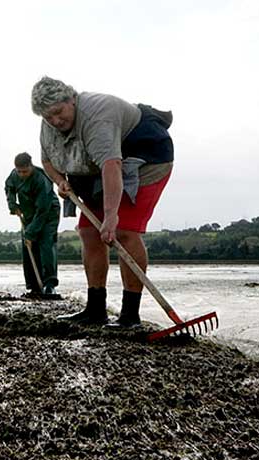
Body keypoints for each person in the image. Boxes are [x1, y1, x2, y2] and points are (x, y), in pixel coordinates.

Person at [31, 76, 174, 328]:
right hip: (97, 171)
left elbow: (112, 165)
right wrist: (60, 181)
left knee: (124, 231)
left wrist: (110, 216)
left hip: (147, 158)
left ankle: (130, 315)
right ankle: (95, 309)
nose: (55, 121)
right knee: (88, 231)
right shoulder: (49, 125)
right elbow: (47, 162)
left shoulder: (97, 115)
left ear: (71, 100)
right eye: (47, 117)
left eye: (58, 112)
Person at [4, 152, 60, 296]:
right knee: (28, 246)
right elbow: (9, 187)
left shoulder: (41, 179)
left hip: (48, 213)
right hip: (28, 212)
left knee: (45, 243)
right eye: (19, 171)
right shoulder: (14, 175)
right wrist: (12, 204)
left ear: (31, 166)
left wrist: (31, 232)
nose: (22, 174)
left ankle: (49, 284)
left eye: (25, 171)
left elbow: (42, 210)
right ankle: (34, 285)